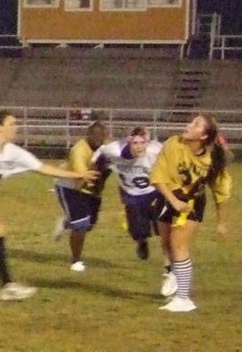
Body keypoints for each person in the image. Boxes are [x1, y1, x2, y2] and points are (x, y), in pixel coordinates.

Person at [0, 110, 98, 301]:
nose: (16, 127)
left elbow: (42, 168)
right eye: (12, 123)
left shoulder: (12, 152)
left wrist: (78, 175)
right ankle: (7, 286)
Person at [150, 114, 231, 313]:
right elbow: (158, 177)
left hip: (192, 204)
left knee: (179, 244)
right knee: (167, 244)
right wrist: (174, 201)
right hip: (167, 197)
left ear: (203, 136)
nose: (188, 125)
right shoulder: (173, 144)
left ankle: (183, 298)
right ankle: (173, 273)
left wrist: (221, 222)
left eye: (196, 124)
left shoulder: (212, 161)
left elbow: (220, 192)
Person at [97, 127, 163, 260]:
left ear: (148, 142)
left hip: (154, 191)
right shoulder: (113, 151)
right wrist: (99, 180)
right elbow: (99, 162)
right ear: (128, 142)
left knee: (163, 227)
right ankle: (142, 242)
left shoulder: (156, 150)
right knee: (137, 230)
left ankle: (169, 263)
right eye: (135, 143)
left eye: (142, 143)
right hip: (130, 193)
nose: (139, 147)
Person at [51, 122, 110, 272]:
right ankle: (75, 261)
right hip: (69, 186)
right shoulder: (79, 150)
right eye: (95, 135)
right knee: (81, 224)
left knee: (89, 224)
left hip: (91, 189)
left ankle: (66, 222)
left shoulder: (105, 148)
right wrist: (99, 168)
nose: (99, 139)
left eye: (102, 136)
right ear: (88, 135)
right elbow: (82, 176)